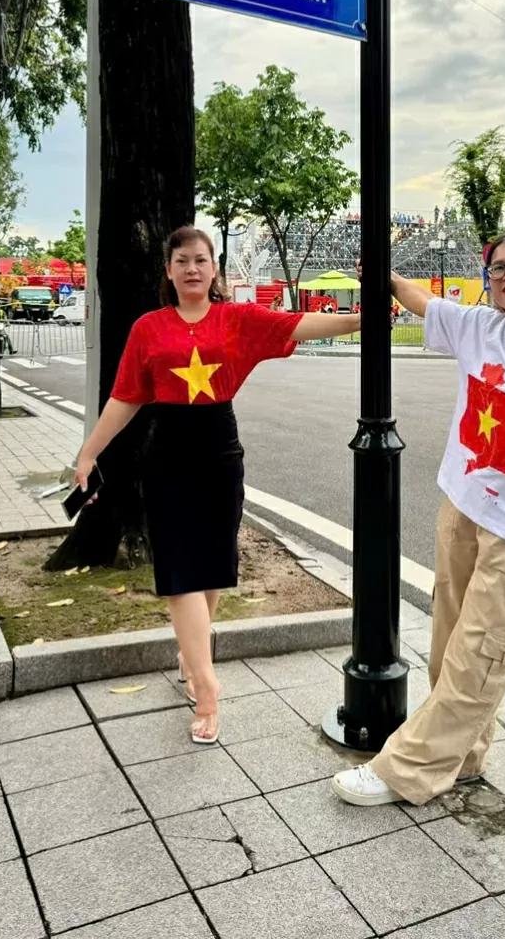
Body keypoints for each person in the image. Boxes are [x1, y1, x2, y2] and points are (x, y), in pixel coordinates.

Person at [332, 230, 505, 808]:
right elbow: (422, 302)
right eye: (497, 268)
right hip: (462, 507)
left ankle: (407, 770)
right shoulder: (481, 328)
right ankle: (463, 756)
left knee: (481, 654)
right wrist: (385, 275)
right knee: (449, 643)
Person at [73, 227, 359, 745]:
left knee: (211, 567)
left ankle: (192, 653)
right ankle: (206, 689)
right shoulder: (148, 328)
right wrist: (89, 452)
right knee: (178, 571)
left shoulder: (237, 320)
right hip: (166, 456)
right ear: (168, 270)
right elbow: (125, 397)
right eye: (181, 260)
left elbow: (299, 324)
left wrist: (365, 315)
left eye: (201, 260)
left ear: (214, 269)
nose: (192, 269)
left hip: (219, 453)